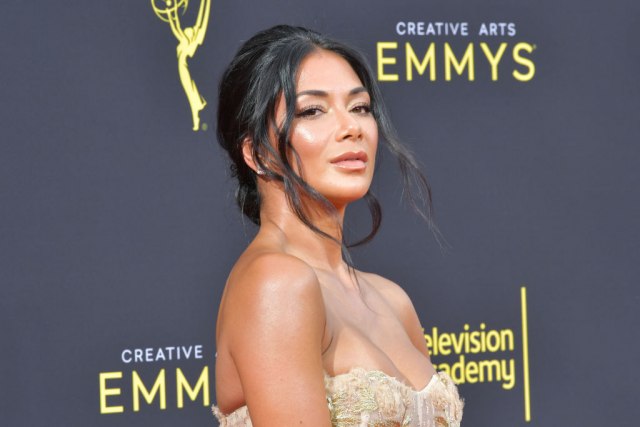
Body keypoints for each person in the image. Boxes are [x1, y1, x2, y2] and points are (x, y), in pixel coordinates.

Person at [212, 25, 463, 426]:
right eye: (313, 111)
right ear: (257, 153)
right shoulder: (276, 284)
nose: (352, 128)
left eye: (360, 107)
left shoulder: (392, 300)